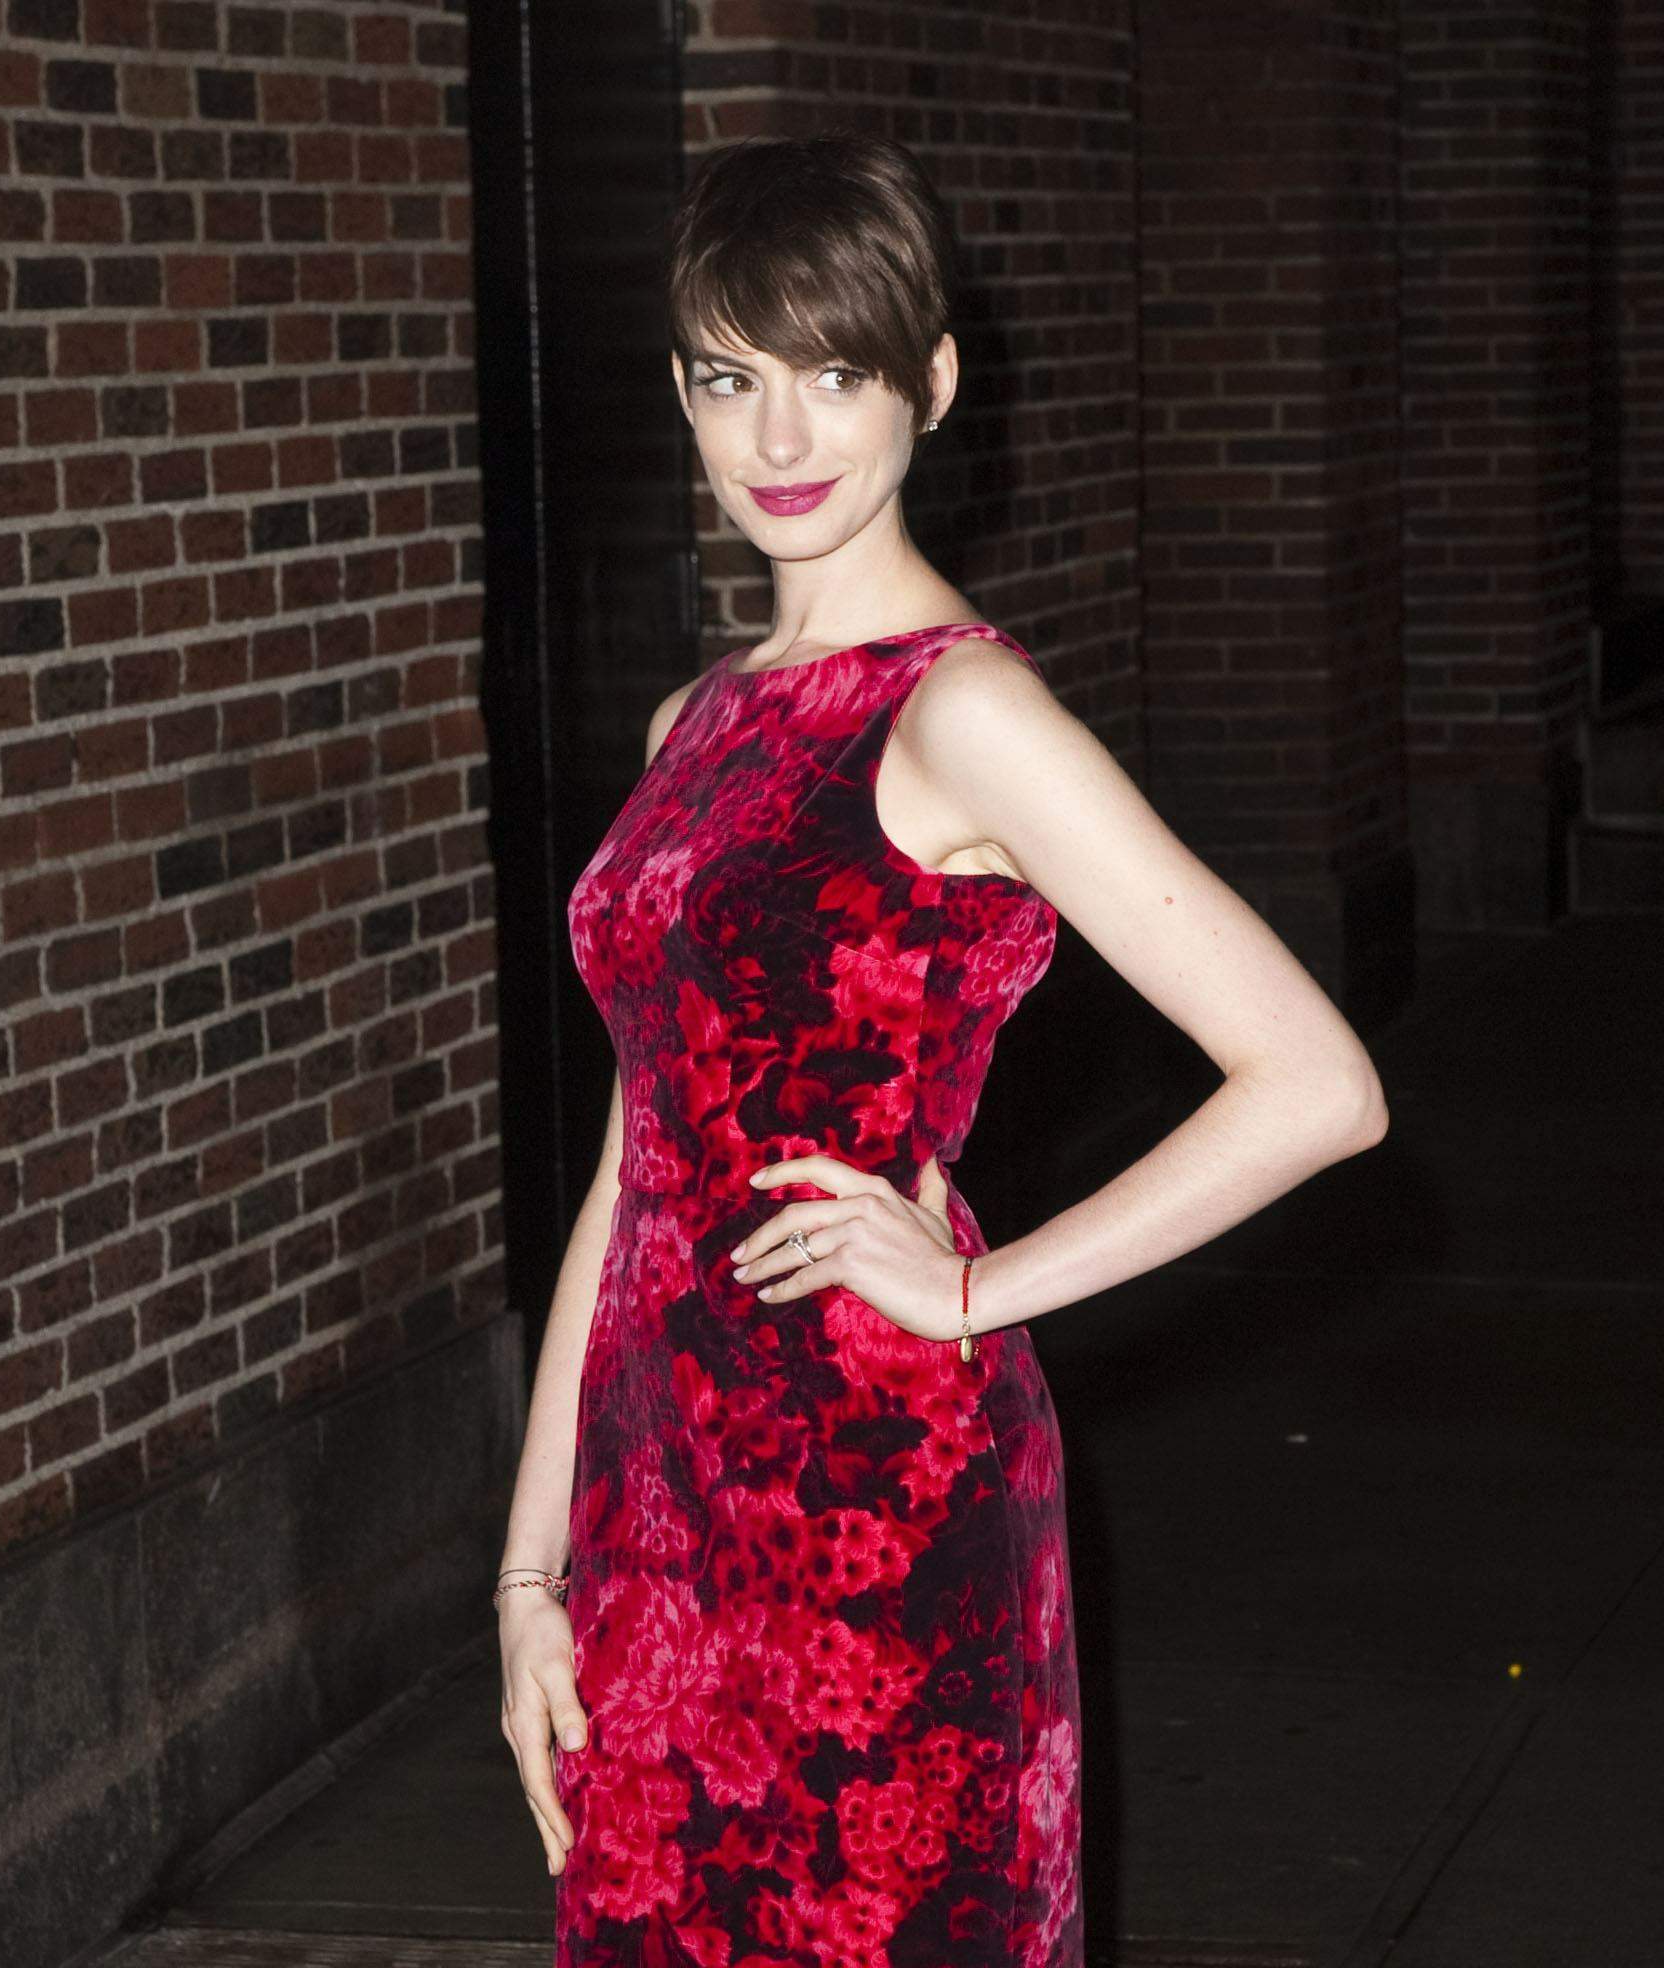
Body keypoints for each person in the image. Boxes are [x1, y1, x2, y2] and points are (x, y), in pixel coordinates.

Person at [494, 131, 1388, 1967]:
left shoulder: (965, 713)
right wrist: (529, 1574)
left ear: (933, 384)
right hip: (656, 1500)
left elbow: (1316, 1083)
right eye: (733, 380)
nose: (784, 439)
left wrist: (982, 1294)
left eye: (837, 373)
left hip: (876, 1514)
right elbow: (631, 1170)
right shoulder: (698, 716)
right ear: (682, 392)